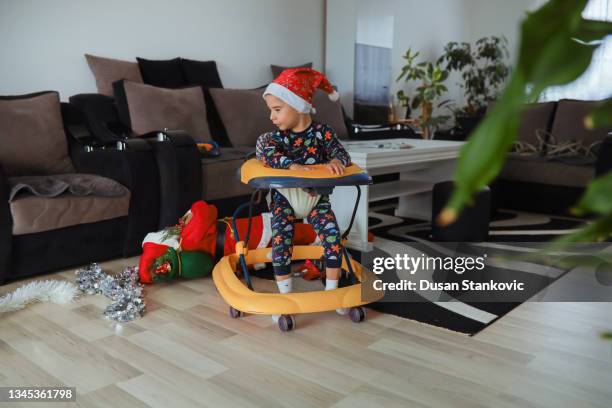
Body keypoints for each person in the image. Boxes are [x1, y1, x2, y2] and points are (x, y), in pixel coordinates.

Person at [257, 68, 351, 320]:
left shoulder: (323, 132)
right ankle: (285, 296)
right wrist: (292, 165)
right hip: (284, 199)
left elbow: (342, 154)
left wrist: (335, 160)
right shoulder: (276, 138)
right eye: (271, 110)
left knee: (333, 238)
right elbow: (266, 155)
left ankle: (333, 292)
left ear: (298, 106)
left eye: (277, 110)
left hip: (316, 198)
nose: (272, 117)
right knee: (281, 242)